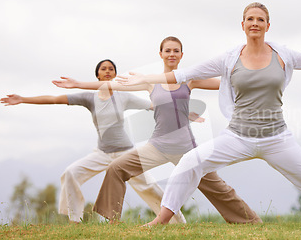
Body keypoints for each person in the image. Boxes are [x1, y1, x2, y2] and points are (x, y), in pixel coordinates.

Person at [118, 2, 301, 226]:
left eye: (260, 19)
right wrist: (147, 78)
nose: (254, 23)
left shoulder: (283, 55)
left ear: (267, 25)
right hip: (238, 136)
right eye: (250, 19)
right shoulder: (229, 58)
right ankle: (163, 220)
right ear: (242, 25)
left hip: (277, 138)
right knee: (190, 161)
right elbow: (186, 73)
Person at [53, 37, 261, 224]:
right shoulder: (150, 81)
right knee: (116, 168)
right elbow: (113, 86)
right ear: (160, 54)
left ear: (181, 55)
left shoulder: (190, 79)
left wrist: (251, 77)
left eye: (176, 50)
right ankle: (113, 222)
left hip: (186, 149)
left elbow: (226, 84)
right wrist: (77, 83)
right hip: (157, 146)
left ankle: (250, 220)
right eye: (167, 50)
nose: (171, 54)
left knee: (217, 188)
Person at [1, 59, 185, 223]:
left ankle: (177, 221)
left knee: (149, 186)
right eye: (103, 69)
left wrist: (183, 113)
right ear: (97, 74)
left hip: (126, 153)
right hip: (102, 153)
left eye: (111, 69)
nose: (107, 71)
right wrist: (23, 99)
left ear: (115, 74)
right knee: (71, 173)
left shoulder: (123, 96)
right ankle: (75, 219)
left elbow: (153, 105)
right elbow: (55, 99)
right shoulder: (89, 97)